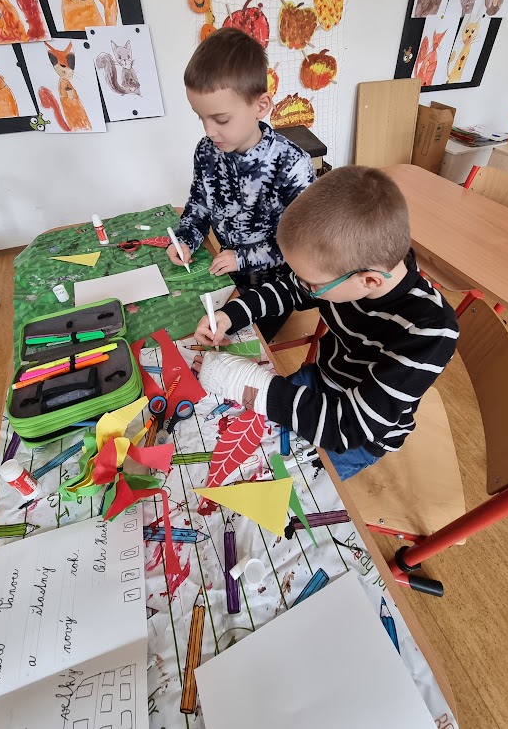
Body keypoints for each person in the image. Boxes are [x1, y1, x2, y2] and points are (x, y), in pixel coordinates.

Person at [194, 166, 459, 481]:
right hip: (322, 379)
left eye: (312, 284)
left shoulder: (429, 332)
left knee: (262, 485)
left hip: (359, 433)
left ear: (369, 280)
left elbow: (346, 427)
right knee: (220, 433)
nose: (304, 286)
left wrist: (245, 382)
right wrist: (232, 314)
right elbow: (290, 289)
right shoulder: (346, 271)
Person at [169, 27, 314, 340]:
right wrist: (185, 239)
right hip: (226, 273)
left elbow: (303, 246)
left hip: (275, 289)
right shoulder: (207, 150)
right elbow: (199, 205)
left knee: (232, 344)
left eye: (221, 119)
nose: (209, 131)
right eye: (200, 117)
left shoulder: (292, 164)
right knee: (184, 326)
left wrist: (243, 257)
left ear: (261, 106)